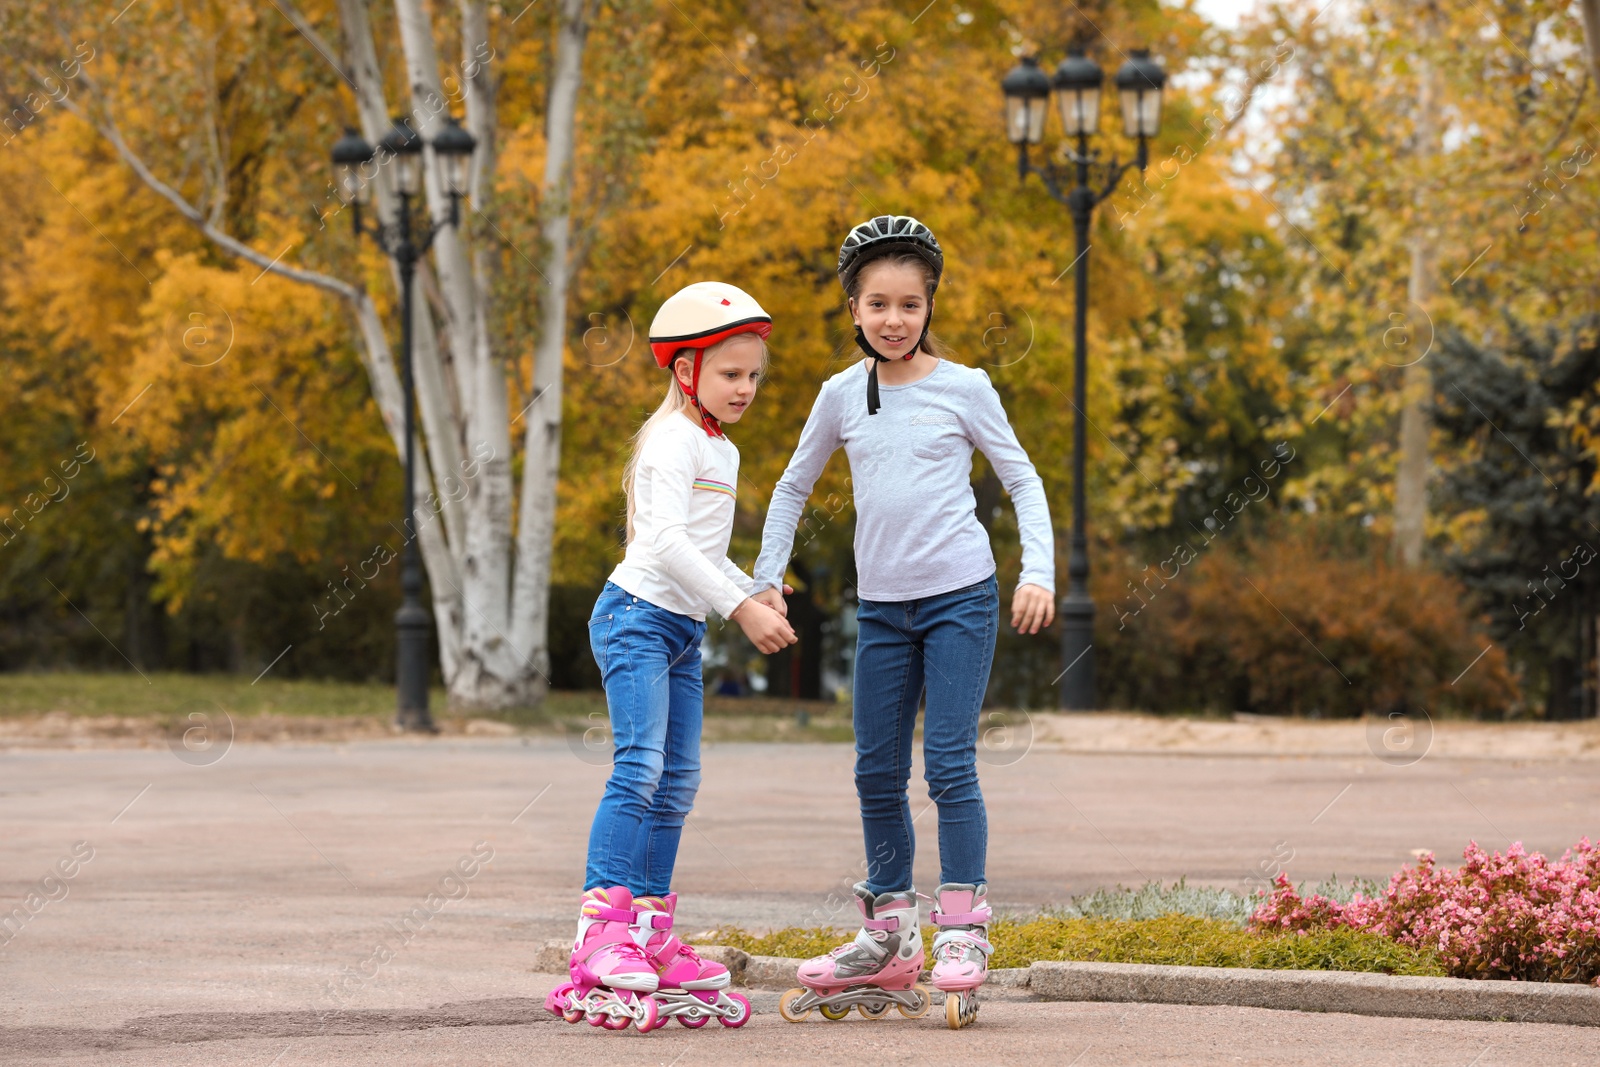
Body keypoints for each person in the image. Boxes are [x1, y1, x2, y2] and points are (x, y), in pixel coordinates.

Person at [752, 216, 1055, 1029]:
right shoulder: (839, 395)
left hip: (962, 596)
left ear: (928, 308)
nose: (894, 318)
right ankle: (888, 933)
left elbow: (1023, 479)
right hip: (883, 608)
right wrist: (764, 578)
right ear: (854, 307)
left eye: (909, 304)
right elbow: (790, 488)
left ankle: (962, 930)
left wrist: (1039, 573)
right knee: (874, 772)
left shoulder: (966, 387)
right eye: (878, 303)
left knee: (949, 765)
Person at [547, 281, 797, 1032]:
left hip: (681, 627)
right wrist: (741, 607)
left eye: (754, 374)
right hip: (635, 618)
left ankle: (648, 930)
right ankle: (600, 929)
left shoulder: (723, 443)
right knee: (641, 767)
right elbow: (661, 543)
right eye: (730, 374)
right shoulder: (672, 439)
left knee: (679, 779)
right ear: (686, 371)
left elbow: (702, 549)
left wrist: (756, 588)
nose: (745, 387)